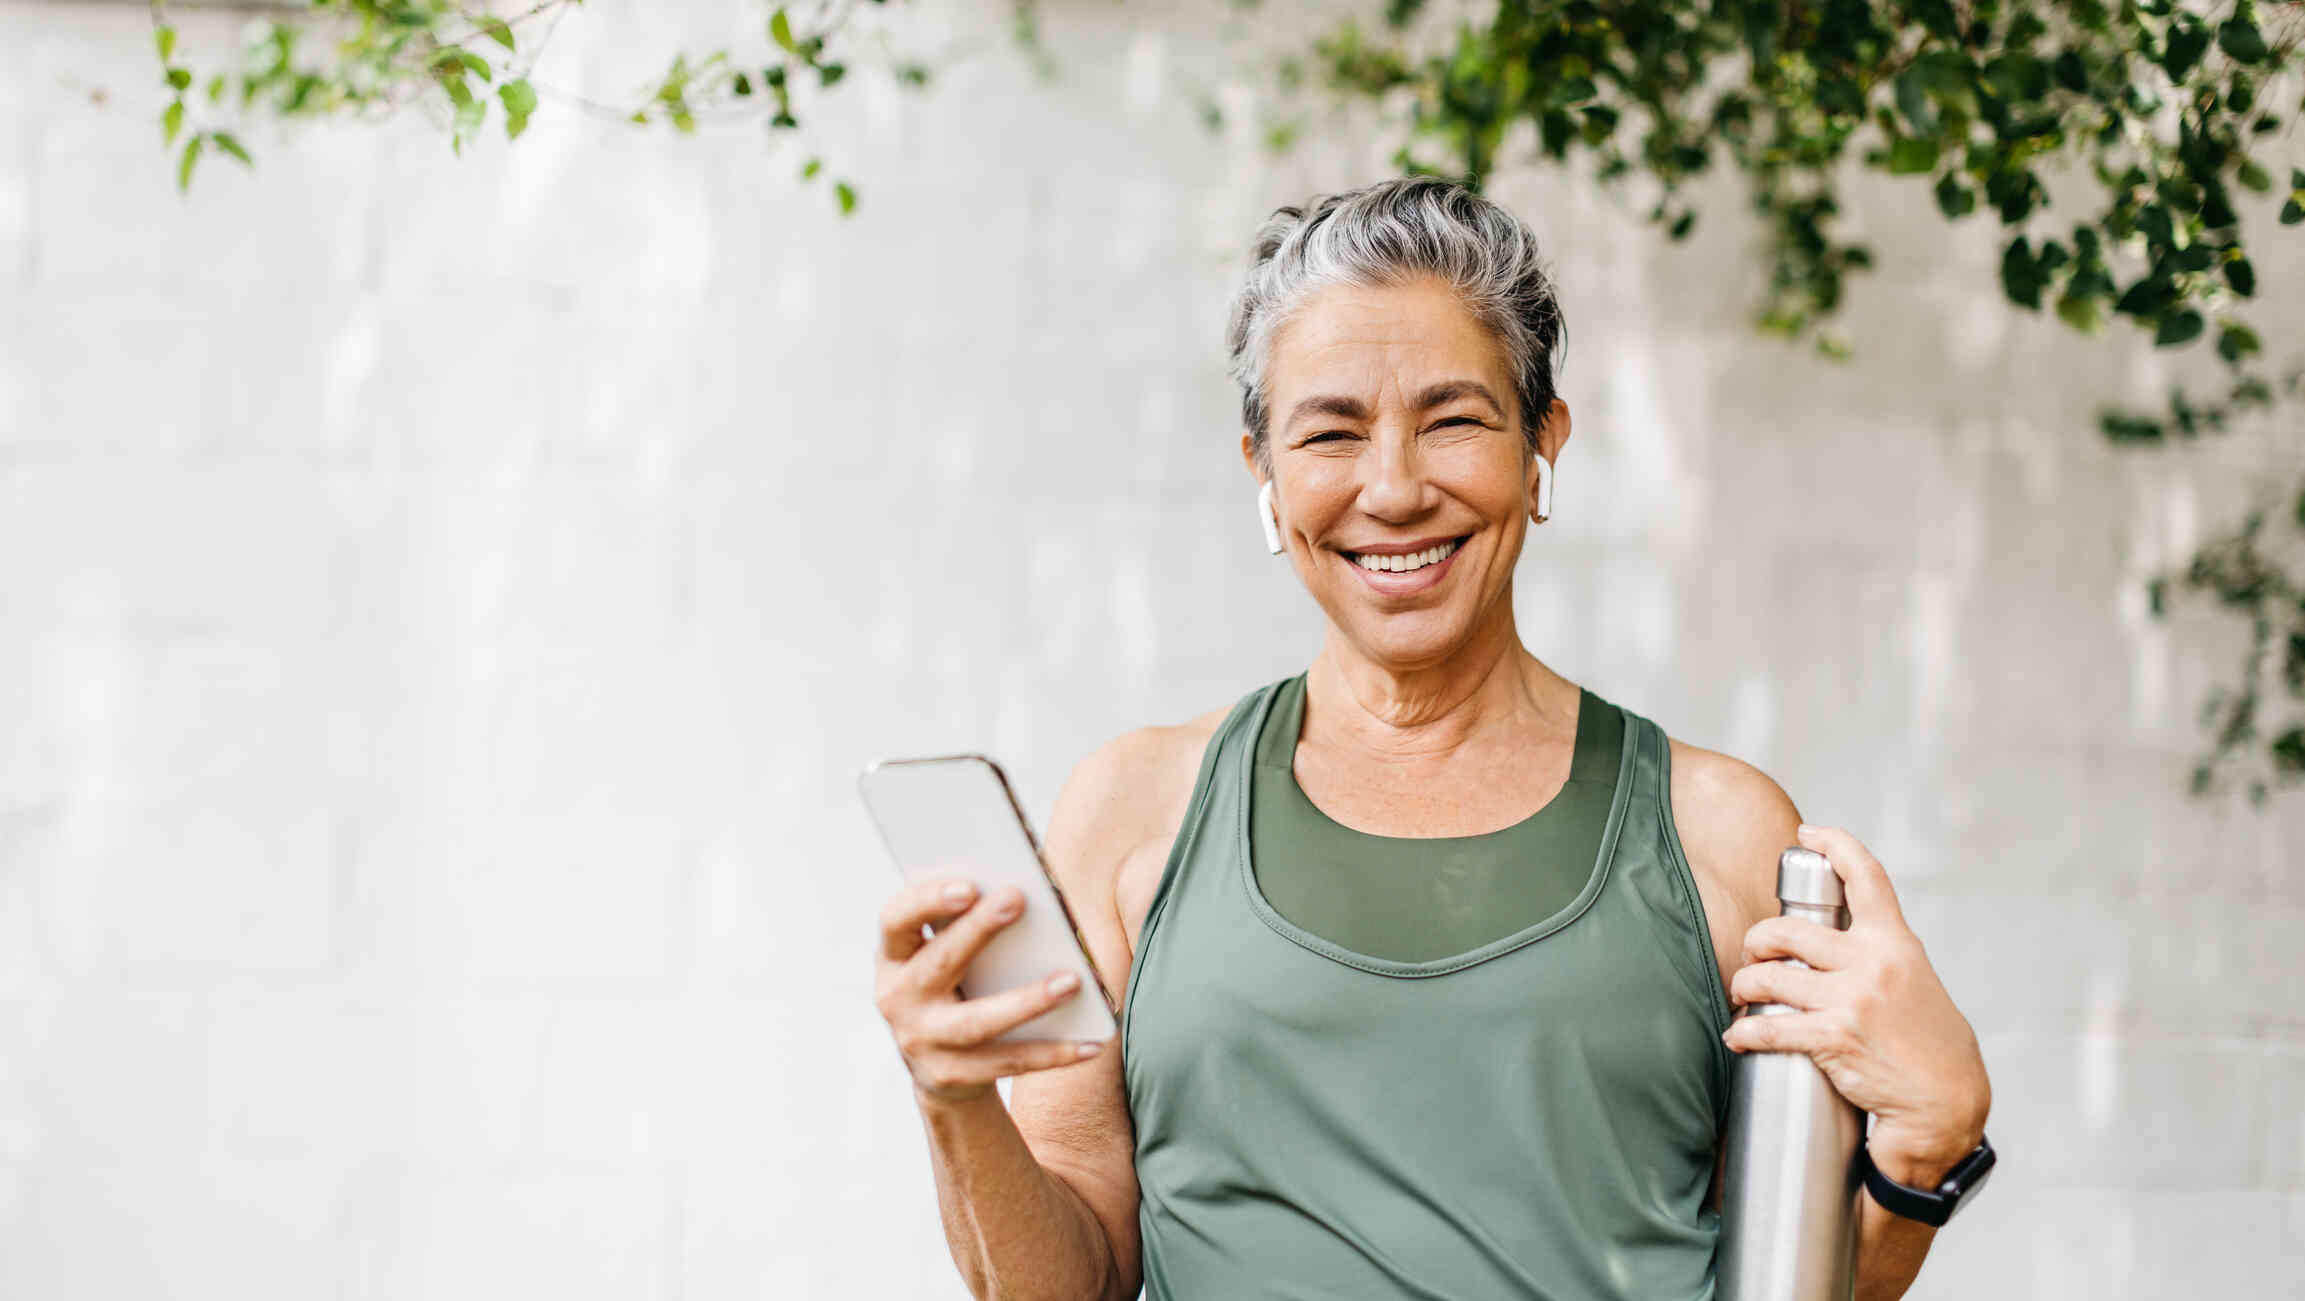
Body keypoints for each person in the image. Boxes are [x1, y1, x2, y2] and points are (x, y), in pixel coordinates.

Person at [871, 177, 1993, 1300]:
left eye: (1453, 419)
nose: (1395, 488)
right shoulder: (1131, 814)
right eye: (1332, 430)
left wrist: (1924, 1147)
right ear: (1264, 470)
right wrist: (953, 1096)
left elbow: (1790, 1287)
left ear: (1540, 441)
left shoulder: (1722, 830)